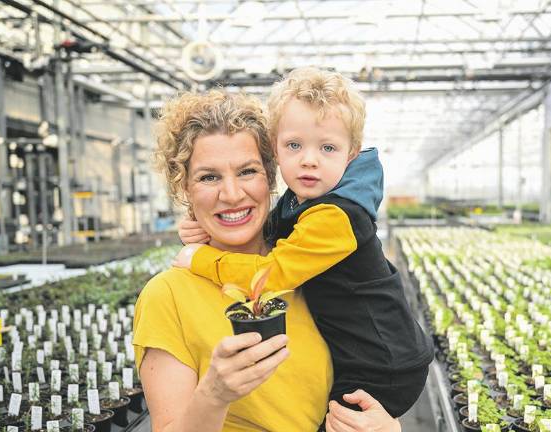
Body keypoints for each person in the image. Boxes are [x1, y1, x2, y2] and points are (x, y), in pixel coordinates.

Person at [174, 67, 434, 423]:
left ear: (352, 154)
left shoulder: (337, 217)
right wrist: (210, 227)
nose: (309, 159)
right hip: (363, 351)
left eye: (328, 148)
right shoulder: (302, 200)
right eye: (294, 145)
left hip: (383, 363)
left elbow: (272, 273)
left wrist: (202, 258)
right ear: (276, 150)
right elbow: (276, 233)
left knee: (337, 423)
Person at [135, 90, 399, 432]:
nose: (231, 195)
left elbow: (367, 378)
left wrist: (387, 427)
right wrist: (214, 395)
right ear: (184, 187)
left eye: (247, 171)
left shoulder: (312, 269)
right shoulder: (167, 296)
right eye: (208, 177)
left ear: (271, 174)